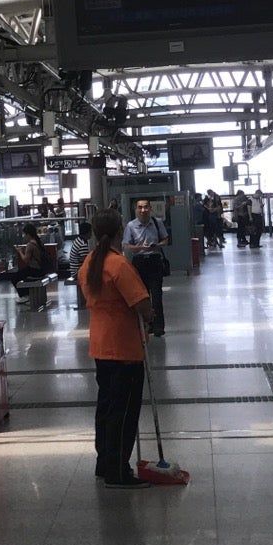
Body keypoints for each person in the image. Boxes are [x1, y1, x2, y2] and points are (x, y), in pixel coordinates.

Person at [78, 209, 152, 489]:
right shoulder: (119, 265)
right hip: (124, 347)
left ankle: (104, 462)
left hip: (100, 345)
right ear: (120, 230)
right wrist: (150, 316)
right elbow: (141, 303)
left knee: (107, 407)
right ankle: (118, 471)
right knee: (124, 411)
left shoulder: (89, 263)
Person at [123, 198, 170, 336]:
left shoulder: (157, 222)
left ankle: (158, 327)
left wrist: (158, 245)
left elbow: (165, 240)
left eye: (145, 207)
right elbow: (126, 245)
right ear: (136, 209)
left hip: (154, 260)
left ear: (150, 209)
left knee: (156, 295)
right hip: (139, 261)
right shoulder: (131, 226)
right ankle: (146, 325)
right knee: (142, 296)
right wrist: (138, 248)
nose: (143, 210)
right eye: (140, 207)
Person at [8, 223, 44, 299]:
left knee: (14, 278)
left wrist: (20, 251)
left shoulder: (30, 245)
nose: (24, 236)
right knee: (21, 275)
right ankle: (27, 294)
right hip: (42, 270)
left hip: (34, 271)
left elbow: (25, 260)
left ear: (28, 234)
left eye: (25, 234)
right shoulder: (39, 242)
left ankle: (24, 296)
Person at [67, 219, 92, 308]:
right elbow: (85, 261)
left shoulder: (78, 240)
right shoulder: (82, 244)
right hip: (77, 272)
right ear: (87, 232)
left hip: (75, 270)